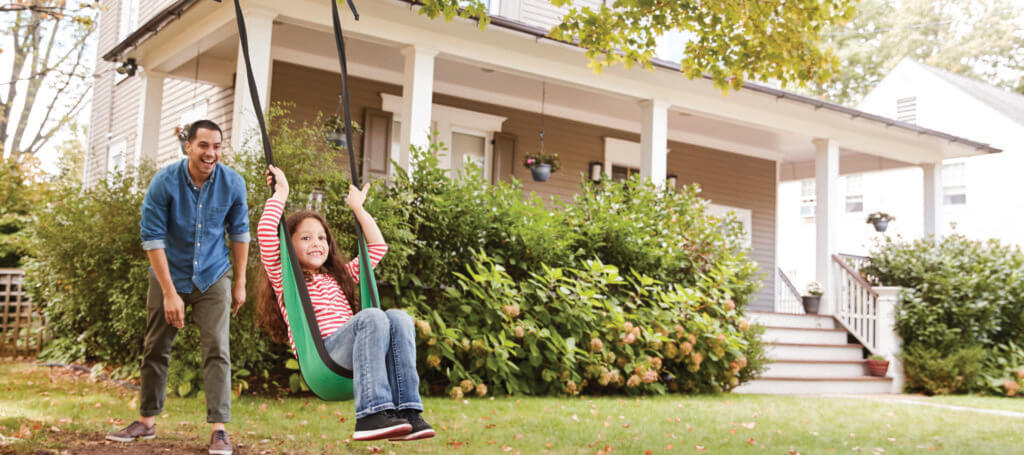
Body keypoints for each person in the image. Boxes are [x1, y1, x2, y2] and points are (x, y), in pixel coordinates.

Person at [255, 165, 433, 442]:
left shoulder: (340, 276)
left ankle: (408, 411)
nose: (317, 243)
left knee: (398, 318)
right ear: (288, 246)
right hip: (324, 360)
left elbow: (377, 247)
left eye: (322, 237)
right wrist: (281, 193)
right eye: (306, 238)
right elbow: (266, 234)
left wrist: (359, 209)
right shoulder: (286, 278)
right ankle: (371, 415)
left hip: (361, 354)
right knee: (373, 316)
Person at [107, 120, 249, 455]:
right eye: (203, 145)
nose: (210, 153)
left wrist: (240, 282)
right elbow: (152, 237)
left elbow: (240, 233)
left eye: (216, 146)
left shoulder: (233, 184)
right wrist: (170, 292)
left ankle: (219, 430)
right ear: (188, 145)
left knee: (217, 347)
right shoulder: (165, 182)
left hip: (214, 275)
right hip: (168, 273)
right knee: (156, 347)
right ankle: (146, 421)